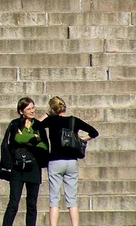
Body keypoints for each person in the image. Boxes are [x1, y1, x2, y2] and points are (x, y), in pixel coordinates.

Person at [40, 96, 99, 226]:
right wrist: (83, 139)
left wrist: (46, 114)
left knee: (54, 199)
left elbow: (36, 125)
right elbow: (94, 132)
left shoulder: (51, 120)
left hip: (55, 161)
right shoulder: (74, 120)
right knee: (72, 199)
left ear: (52, 109)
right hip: (71, 161)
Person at [0, 97, 49, 226]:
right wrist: (33, 138)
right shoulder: (15, 124)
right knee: (13, 203)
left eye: (33, 108)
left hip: (34, 166)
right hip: (17, 167)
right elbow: (15, 139)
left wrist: (26, 138)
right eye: (29, 109)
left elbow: (44, 145)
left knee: (32, 205)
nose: (33, 111)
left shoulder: (38, 125)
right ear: (21, 111)